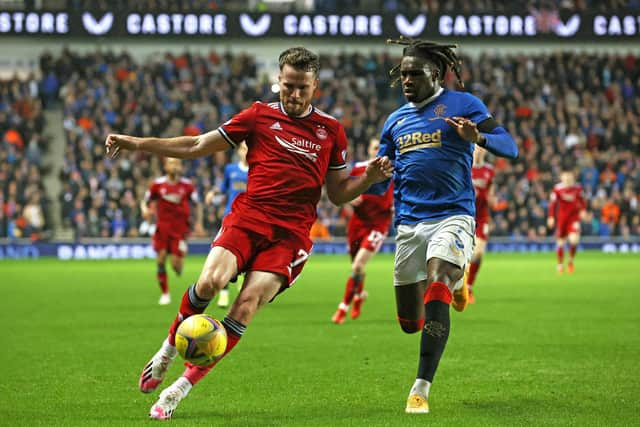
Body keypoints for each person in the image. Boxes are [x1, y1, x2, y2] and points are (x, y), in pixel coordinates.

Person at [105, 46, 393, 421]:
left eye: (302, 88)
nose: (293, 94)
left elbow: (338, 195)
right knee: (209, 283)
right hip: (249, 216)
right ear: (278, 80)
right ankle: (166, 351)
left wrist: (368, 178)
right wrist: (135, 143)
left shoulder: (331, 131)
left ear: (315, 86)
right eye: (288, 85)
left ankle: (179, 389)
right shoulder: (258, 116)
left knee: (245, 306)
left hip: (290, 234)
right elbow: (195, 145)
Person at [376, 38, 518, 414]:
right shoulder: (395, 121)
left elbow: (510, 145)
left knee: (437, 281)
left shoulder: (464, 104)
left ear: (435, 73)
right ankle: (458, 281)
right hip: (409, 224)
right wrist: (373, 176)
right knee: (410, 322)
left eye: (413, 73)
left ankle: (420, 388)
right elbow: (378, 178)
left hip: (454, 214)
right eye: (402, 73)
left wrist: (478, 137)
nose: (406, 79)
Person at [331, 137, 394, 324]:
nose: (378, 151)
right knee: (357, 268)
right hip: (357, 223)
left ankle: (343, 308)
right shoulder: (359, 169)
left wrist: (396, 205)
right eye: (375, 147)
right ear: (368, 150)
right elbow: (344, 191)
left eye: (380, 148)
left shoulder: (391, 170)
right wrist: (349, 199)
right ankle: (360, 295)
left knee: (358, 266)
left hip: (378, 225)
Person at [141, 157, 202, 305]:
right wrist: (145, 210)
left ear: (181, 167)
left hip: (180, 230)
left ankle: (179, 264)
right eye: (171, 163)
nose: (174, 166)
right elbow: (145, 200)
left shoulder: (187, 186)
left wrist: (199, 223)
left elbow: (197, 204)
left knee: (176, 265)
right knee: (161, 259)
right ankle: (165, 294)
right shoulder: (158, 185)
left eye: (177, 163)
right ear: (166, 166)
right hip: (162, 228)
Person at [205, 141, 249, 308]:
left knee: (245, 256)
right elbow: (223, 188)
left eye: (249, 149)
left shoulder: (257, 171)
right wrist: (212, 192)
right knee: (223, 255)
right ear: (239, 151)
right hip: (230, 217)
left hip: (250, 219)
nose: (246, 152)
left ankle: (243, 279)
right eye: (244, 148)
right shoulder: (231, 169)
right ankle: (223, 293)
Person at [466, 145, 495, 303]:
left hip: (482, 217)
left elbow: (490, 194)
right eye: (476, 148)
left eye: (481, 148)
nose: (479, 151)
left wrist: (493, 202)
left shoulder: (489, 171)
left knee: (478, 253)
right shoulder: (465, 166)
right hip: (464, 215)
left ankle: (469, 287)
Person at [547, 166, 586, 273]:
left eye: (569, 175)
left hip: (574, 218)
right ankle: (560, 265)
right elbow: (552, 204)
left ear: (573, 176)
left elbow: (582, 202)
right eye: (565, 175)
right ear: (561, 177)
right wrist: (551, 217)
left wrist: (583, 210)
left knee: (574, 240)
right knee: (560, 243)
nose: (567, 178)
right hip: (561, 219)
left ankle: (570, 261)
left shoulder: (578, 188)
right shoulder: (557, 189)